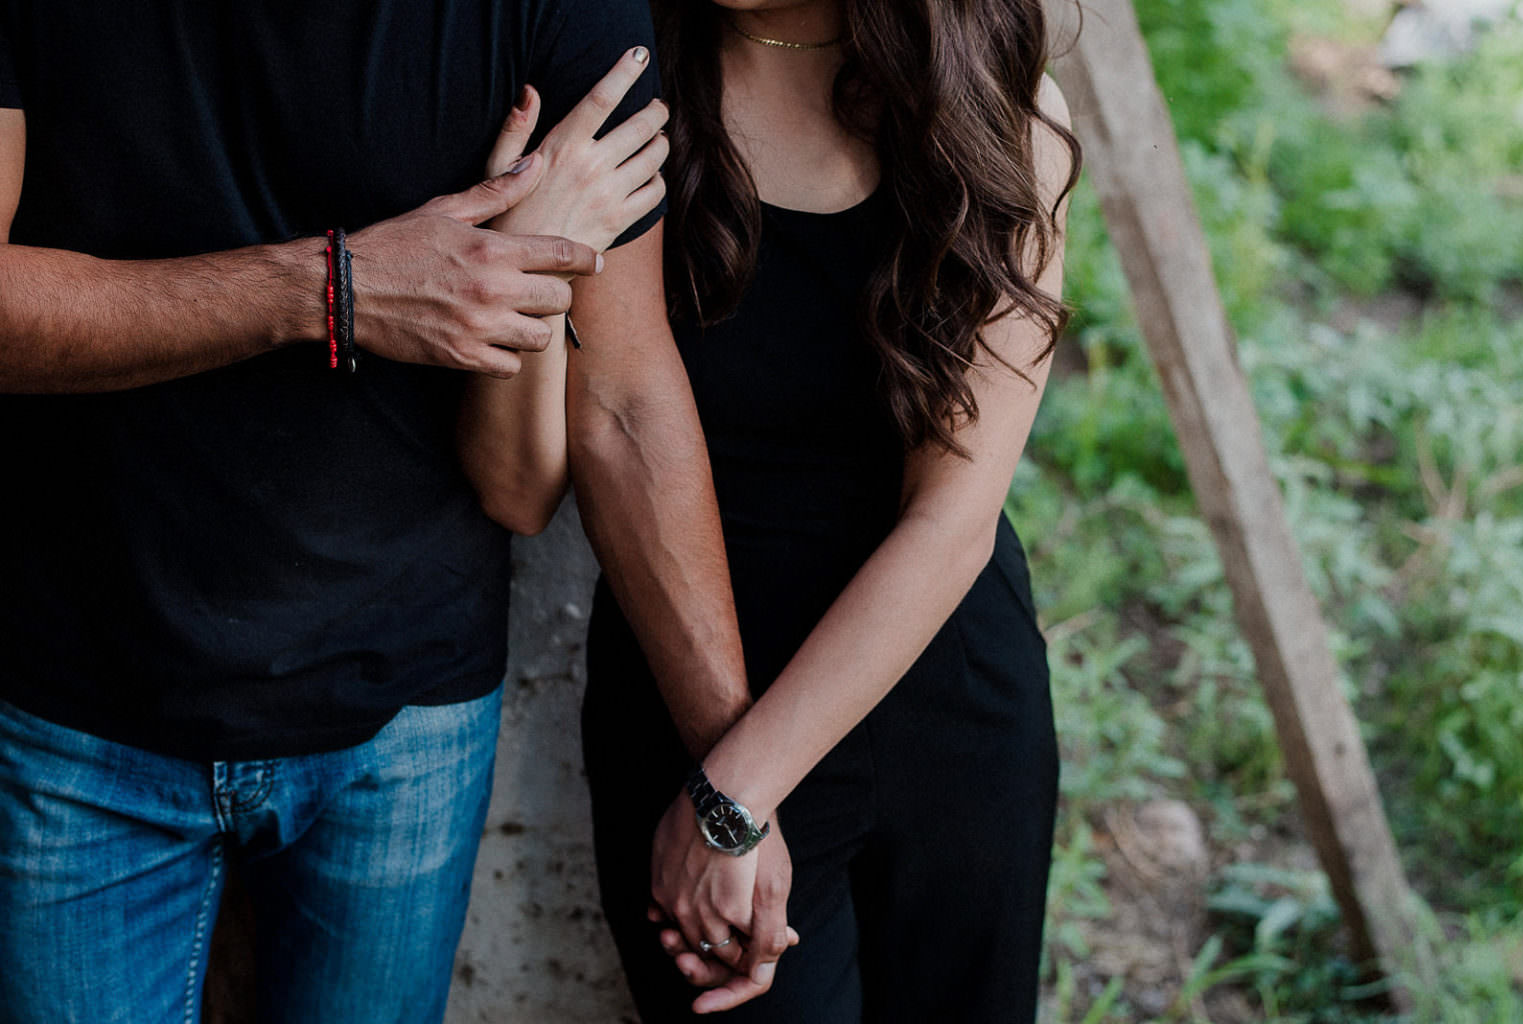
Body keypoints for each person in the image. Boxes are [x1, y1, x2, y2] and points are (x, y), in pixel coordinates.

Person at [0, 3, 776, 1022]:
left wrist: (736, 788)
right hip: (75, 709)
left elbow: (622, 404)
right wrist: (332, 286)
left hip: (406, 729)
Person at [464, 0, 1081, 1018]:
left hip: (947, 706)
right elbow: (543, 469)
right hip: (686, 689)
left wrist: (735, 794)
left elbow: (954, 517)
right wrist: (531, 252)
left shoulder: (997, 111)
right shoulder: (623, 86)